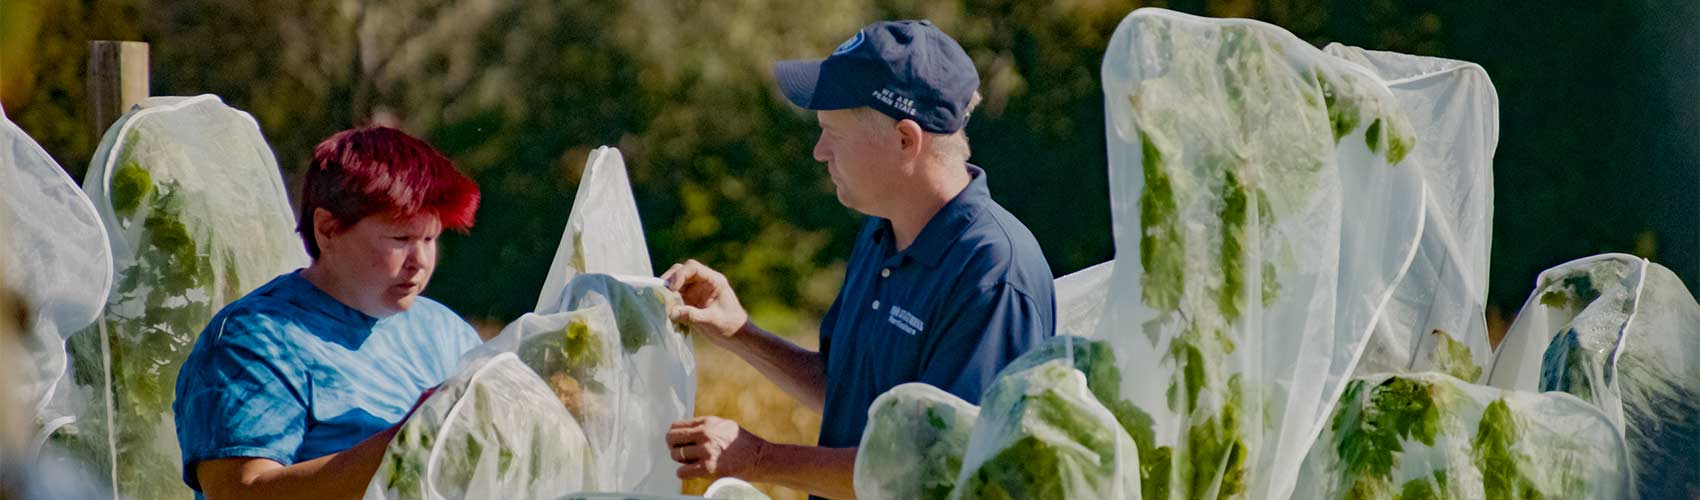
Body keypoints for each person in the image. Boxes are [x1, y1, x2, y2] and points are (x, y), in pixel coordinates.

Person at [661, 20, 1055, 500]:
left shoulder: (992, 276)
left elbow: (936, 472)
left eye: (832, 132)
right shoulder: (881, 230)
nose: (818, 151)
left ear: (906, 140)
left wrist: (759, 458)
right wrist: (740, 332)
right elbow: (845, 391)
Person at [172, 127, 483, 500]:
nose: (420, 262)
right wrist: (413, 438)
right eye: (400, 239)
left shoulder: (446, 331)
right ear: (328, 229)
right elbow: (239, 492)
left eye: (430, 239)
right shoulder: (254, 340)